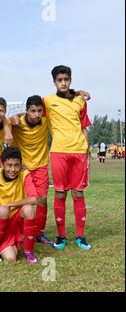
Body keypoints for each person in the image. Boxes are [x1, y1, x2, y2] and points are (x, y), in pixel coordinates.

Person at [43, 65, 92, 250]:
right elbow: (32, 110)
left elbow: (84, 128)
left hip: (79, 152)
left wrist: (87, 153)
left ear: (70, 80)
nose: (63, 83)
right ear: (54, 82)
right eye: (59, 80)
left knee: (78, 192)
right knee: (60, 193)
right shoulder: (47, 101)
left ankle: (80, 236)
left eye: (66, 79)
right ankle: (61, 235)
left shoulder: (80, 101)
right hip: (58, 152)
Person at [10, 95, 53, 246]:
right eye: (33, 111)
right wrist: (15, 116)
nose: (36, 114)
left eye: (39, 111)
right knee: (21, 201)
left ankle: (39, 233)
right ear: (26, 111)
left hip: (41, 166)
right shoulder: (16, 123)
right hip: (22, 168)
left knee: (42, 199)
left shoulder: (46, 121)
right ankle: (19, 230)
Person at [0, 147, 39, 264]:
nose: (13, 169)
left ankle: (29, 251)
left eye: (16, 165)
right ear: (2, 164)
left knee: (29, 209)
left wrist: (11, 205)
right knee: (11, 258)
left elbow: (34, 199)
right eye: (9, 165)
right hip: (0, 219)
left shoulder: (24, 174)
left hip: (15, 218)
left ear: (21, 165)